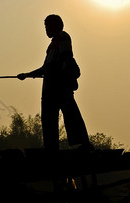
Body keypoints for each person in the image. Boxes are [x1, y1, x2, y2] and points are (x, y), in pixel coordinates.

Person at [18, 14, 93, 152]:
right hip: (50, 90)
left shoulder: (63, 37)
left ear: (56, 26)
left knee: (71, 116)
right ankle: (51, 148)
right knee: (49, 119)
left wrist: (60, 72)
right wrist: (27, 75)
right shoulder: (52, 45)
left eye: (47, 26)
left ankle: (83, 145)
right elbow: (45, 68)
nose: (46, 30)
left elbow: (64, 58)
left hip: (60, 88)